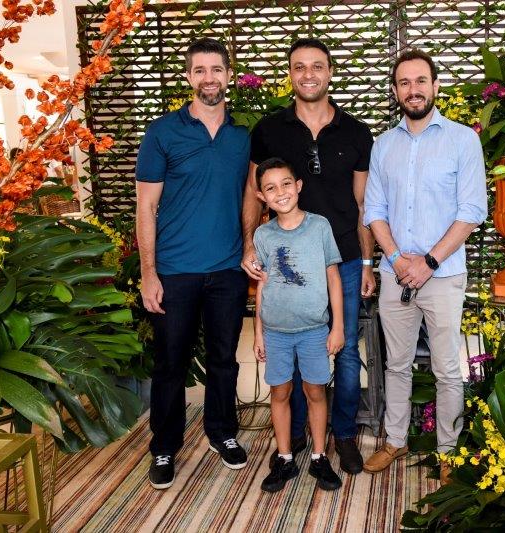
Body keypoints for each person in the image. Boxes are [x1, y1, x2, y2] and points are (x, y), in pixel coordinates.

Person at [242, 38, 375, 474]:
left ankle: (344, 435)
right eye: (299, 66)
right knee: (295, 349)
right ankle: (296, 434)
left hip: (344, 259)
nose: (308, 74)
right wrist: (249, 244)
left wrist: (368, 261)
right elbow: (252, 192)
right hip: (286, 258)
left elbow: (363, 204)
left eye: (317, 66)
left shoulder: (356, 133)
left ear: (330, 72)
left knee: (345, 349)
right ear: (290, 74)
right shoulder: (269, 130)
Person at [361, 49, 487, 480]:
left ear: (435, 86)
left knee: (447, 368)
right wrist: (398, 260)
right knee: (395, 364)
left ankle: (449, 453)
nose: (412, 90)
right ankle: (395, 441)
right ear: (396, 91)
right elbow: (374, 211)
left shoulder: (462, 140)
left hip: (443, 275)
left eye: (420, 81)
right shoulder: (383, 146)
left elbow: (472, 211)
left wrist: (429, 261)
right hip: (395, 274)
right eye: (404, 83)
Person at [135, 37, 251, 490]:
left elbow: (251, 195)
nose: (209, 78)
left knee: (224, 360)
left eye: (216, 69)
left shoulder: (242, 136)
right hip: (174, 271)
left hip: (227, 270)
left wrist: (248, 247)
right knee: (170, 364)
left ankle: (222, 432)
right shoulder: (162, 132)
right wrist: (148, 273)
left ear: (229, 75)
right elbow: (146, 207)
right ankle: (164, 446)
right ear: (188, 77)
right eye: (199, 70)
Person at [252, 157, 344, 493]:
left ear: (299, 185)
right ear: (261, 196)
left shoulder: (319, 227)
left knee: (315, 391)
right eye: (271, 188)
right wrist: (258, 332)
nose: (280, 192)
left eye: (286, 184)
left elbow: (333, 278)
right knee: (280, 392)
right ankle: (285, 457)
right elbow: (262, 285)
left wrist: (338, 326)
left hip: (314, 330)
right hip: (275, 332)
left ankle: (319, 456)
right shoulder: (263, 235)